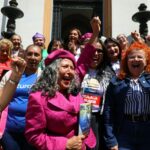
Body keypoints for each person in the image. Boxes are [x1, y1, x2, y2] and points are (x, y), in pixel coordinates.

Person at [25, 16, 102, 150]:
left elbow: (84, 59)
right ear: (54, 71)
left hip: (86, 145)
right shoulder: (38, 98)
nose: (70, 71)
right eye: (65, 67)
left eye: (72, 68)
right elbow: (34, 135)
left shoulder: (73, 86)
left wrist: (95, 33)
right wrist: (65, 144)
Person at [103, 41, 150, 150]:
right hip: (124, 130)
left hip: (147, 130)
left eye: (140, 57)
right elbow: (108, 111)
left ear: (146, 61)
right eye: (132, 57)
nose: (136, 59)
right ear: (126, 61)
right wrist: (111, 140)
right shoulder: (116, 82)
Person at [0, 44, 42, 150]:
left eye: (36, 54)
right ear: (24, 56)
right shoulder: (11, 74)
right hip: (9, 130)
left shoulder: (44, 77)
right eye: (29, 54)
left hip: (32, 132)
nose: (32, 57)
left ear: (41, 58)